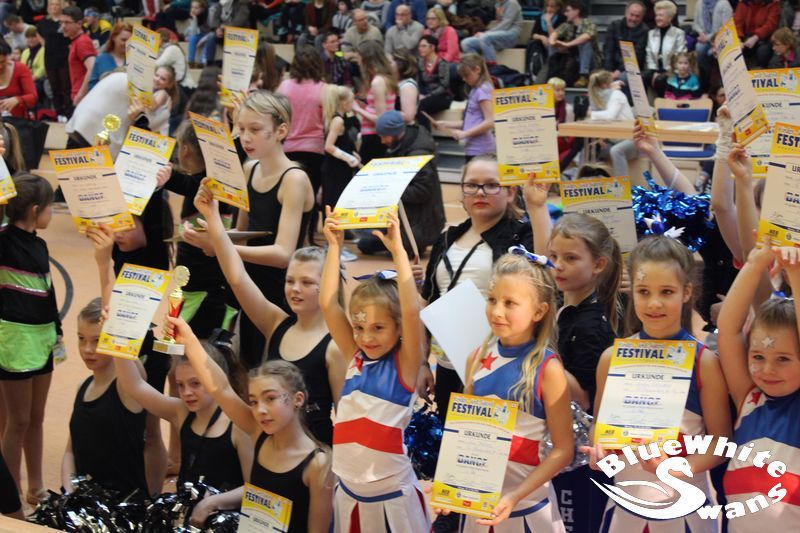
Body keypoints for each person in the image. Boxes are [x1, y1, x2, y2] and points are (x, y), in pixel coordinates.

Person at [585, 236, 732, 532]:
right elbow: (599, 428)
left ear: (686, 292)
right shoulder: (611, 359)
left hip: (684, 512)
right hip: (623, 512)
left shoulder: (704, 362)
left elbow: (720, 443)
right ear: (632, 292)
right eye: (644, 291)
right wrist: (598, 450)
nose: (654, 303)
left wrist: (677, 467)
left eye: (666, 292)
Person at [194, 181, 348, 443]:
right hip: (270, 449)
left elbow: (345, 417)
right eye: (290, 281)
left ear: (327, 285)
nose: (295, 289)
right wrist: (213, 218)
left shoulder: (335, 347)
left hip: (314, 453)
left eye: (307, 282)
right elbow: (237, 278)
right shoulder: (277, 323)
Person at [440, 251, 573, 532]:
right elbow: (465, 435)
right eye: (492, 300)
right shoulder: (476, 357)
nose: (497, 311)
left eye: (509, 303)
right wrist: (450, 487)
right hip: (479, 511)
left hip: (528, 510)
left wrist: (514, 496)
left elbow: (563, 450)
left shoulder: (548, 368)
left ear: (539, 311)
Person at [183, 91, 315, 369]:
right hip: (248, 283)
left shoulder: (294, 179)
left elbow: (283, 253)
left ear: (280, 131)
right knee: (246, 365)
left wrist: (220, 245)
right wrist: (211, 232)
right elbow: (243, 232)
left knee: (271, 368)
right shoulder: (249, 169)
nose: (245, 138)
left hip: (280, 289)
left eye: (255, 129)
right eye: (241, 129)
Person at [321, 210, 430, 532]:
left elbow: (412, 311)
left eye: (378, 328)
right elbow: (328, 304)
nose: (366, 337)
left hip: (392, 499)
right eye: (359, 327)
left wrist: (398, 253)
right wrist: (334, 247)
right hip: (349, 494)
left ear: (399, 328)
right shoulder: (355, 356)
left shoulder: (405, 365)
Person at [174, 325, 334, 532]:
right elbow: (220, 388)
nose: (260, 410)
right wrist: (189, 339)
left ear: (298, 399)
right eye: (254, 402)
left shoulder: (318, 465)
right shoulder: (258, 434)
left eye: (270, 398)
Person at [417, 155, 535, 427]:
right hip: (448, 364)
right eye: (471, 185)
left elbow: (544, 271)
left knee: (488, 441)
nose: (480, 192)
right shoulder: (447, 238)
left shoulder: (521, 236)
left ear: (510, 192)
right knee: (450, 439)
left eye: (491, 185)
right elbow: (427, 302)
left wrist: (538, 208)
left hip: (498, 365)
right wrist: (422, 363)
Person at [114, 337, 252, 522]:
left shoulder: (238, 425)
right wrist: (117, 335)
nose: (187, 392)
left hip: (224, 521)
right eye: (180, 385)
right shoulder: (181, 412)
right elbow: (134, 386)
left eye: (195, 383)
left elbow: (254, 489)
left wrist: (212, 502)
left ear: (216, 381)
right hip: (187, 516)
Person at [717, 243, 800, 531]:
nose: (767, 370)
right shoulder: (749, 398)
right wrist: (755, 263)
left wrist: (795, 273)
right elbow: (728, 330)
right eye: (758, 357)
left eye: (783, 359)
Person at [0, 174, 58, 505]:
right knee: (17, 420)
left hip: (43, 337)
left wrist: (57, 332)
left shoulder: (40, 243)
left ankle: (35, 487)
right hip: (15, 341)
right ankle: (9, 494)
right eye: (50, 207)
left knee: (35, 418)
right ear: (36, 209)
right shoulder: (4, 242)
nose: (52, 212)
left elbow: (48, 290)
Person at [61, 298, 148, 497]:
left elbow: (134, 366)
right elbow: (70, 452)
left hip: (121, 504)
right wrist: (69, 491)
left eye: (97, 340)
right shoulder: (82, 388)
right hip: (82, 500)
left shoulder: (127, 388)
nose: (87, 349)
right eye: (81, 338)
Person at [157, 122, 236, 337]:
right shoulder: (221, 184)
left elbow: (187, 184)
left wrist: (167, 176)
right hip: (200, 282)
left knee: (193, 342)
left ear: (185, 150)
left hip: (203, 286)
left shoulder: (207, 186)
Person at [356, 110, 445, 258]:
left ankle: (415, 243)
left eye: (384, 136)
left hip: (422, 222)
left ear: (395, 133)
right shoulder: (401, 145)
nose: (382, 141)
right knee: (364, 244)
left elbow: (423, 191)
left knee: (398, 253)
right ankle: (410, 242)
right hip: (409, 218)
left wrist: (388, 191)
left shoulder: (418, 154)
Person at [278, 46, 326, 243]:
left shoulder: (284, 87)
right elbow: (327, 120)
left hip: (288, 148)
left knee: (288, 195)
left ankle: (287, 238)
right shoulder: (323, 88)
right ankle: (309, 238)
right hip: (315, 149)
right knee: (310, 196)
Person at [430, 54, 494, 163]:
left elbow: (490, 122)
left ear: (477, 69)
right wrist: (446, 124)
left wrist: (465, 134)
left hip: (481, 149)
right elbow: (471, 122)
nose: (464, 79)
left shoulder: (483, 90)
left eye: (466, 75)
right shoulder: (476, 90)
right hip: (474, 148)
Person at [352, 40, 397, 164]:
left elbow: (381, 119)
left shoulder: (378, 82)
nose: (358, 62)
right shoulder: (384, 78)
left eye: (359, 58)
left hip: (375, 136)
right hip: (376, 135)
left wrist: (357, 109)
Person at [321, 84, 360, 216]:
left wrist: (352, 153)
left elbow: (341, 142)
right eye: (351, 101)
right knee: (335, 203)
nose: (353, 104)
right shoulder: (338, 120)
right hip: (335, 169)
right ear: (344, 103)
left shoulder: (337, 118)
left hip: (339, 168)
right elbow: (329, 146)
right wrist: (349, 158)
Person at [547, 0, 600, 88]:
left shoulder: (589, 24)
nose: (565, 14)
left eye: (568, 11)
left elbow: (587, 36)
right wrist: (553, 42)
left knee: (586, 43)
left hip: (590, 61)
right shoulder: (567, 25)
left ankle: (584, 76)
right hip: (573, 58)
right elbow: (555, 33)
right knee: (552, 45)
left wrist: (568, 44)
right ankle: (552, 71)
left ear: (576, 11)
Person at [602, 1, 647, 89]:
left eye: (637, 16)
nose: (633, 19)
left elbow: (637, 55)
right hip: (611, 66)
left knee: (622, 78)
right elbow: (608, 50)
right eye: (631, 15)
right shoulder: (614, 26)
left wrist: (619, 71)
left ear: (642, 17)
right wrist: (609, 71)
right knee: (597, 77)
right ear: (626, 13)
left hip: (632, 68)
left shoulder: (644, 31)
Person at [37, 0, 70, 120]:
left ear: (61, 6)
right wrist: (44, 44)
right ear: (49, 7)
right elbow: (38, 32)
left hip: (64, 57)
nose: (54, 7)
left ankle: (68, 112)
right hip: (50, 57)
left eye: (57, 4)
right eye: (52, 4)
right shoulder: (44, 21)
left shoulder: (64, 21)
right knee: (54, 87)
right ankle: (59, 112)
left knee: (66, 86)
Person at [645, 0, 686, 95]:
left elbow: (679, 56)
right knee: (642, 77)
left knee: (661, 80)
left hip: (672, 70)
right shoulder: (651, 33)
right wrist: (654, 72)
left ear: (670, 18)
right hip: (655, 69)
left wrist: (664, 73)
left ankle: (663, 103)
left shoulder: (678, 33)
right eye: (656, 15)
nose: (657, 18)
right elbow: (649, 55)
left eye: (661, 15)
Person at [461, 0, 522, 64]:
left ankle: (492, 66)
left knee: (484, 37)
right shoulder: (497, 4)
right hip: (497, 35)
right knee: (466, 43)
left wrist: (486, 33)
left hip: (511, 34)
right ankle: (478, 66)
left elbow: (506, 24)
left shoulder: (512, 3)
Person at [60, 5, 96, 107]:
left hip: (85, 99)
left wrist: (80, 95)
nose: (63, 26)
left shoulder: (82, 42)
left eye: (67, 22)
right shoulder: (77, 41)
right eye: (61, 22)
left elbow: (92, 68)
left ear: (79, 24)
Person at [692, 0, 732, 86]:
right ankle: (704, 83)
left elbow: (726, 27)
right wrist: (701, 33)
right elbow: (695, 24)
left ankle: (716, 84)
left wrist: (708, 38)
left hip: (721, 38)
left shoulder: (724, 4)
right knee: (699, 49)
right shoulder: (700, 3)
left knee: (711, 53)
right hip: (703, 37)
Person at [416, 35, 452, 130]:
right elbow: (418, 82)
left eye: (424, 46)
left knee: (421, 106)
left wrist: (428, 96)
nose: (420, 49)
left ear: (432, 47)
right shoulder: (420, 62)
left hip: (442, 96)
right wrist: (419, 94)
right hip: (425, 95)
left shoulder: (442, 63)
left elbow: (444, 86)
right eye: (419, 46)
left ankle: (425, 135)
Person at [734, 0, 780, 70]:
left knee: (763, 52)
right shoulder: (743, 2)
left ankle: (761, 71)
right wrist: (738, 38)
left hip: (766, 36)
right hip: (746, 35)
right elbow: (737, 22)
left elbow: (770, 24)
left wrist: (756, 37)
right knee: (736, 49)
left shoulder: (773, 3)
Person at [526, 0, 565, 80]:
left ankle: (550, 71)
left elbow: (555, 36)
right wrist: (542, 37)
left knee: (551, 44)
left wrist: (548, 22)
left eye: (552, 6)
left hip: (556, 44)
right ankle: (534, 71)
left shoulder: (562, 18)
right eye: (547, 6)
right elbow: (533, 34)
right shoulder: (540, 17)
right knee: (534, 44)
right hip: (541, 45)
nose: (549, 9)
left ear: (558, 7)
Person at [88, 22, 132, 91]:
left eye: (130, 41)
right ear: (113, 37)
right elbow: (92, 87)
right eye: (123, 40)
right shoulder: (101, 60)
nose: (126, 43)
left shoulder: (135, 61)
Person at [0, 40, 37, 118]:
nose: (0, 66)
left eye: (3, 61)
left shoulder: (20, 69)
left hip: (17, 121)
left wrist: (17, 99)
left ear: (8, 57)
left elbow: (33, 97)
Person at [391, 48, 418, 125]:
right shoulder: (394, 82)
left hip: (404, 129)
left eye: (390, 62)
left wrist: (383, 111)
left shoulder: (407, 86)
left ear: (400, 65)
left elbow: (408, 116)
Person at [20, 27, 45, 106]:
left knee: (33, 88)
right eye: (28, 37)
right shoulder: (25, 52)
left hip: (40, 79)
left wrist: (32, 78)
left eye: (33, 37)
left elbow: (43, 68)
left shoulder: (43, 49)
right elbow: (21, 67)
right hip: (27, 79)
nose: (30, 40)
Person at [185, 0, 212, 68]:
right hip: (201, 34)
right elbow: (194, 32)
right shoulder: (194, 15)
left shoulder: (209, 14)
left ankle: (201, 62)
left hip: (210, 35)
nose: (193, 10)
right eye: (192, 7)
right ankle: (191, 61)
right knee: (192, 38)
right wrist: (194, 19)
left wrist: (202, 41)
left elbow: (212, 31)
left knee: (208, 42)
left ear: (202, 9)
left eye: (196, 8)